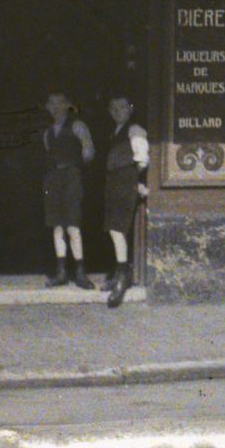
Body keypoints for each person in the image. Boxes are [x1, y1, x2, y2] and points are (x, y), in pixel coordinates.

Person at [41, 91, 96, 289]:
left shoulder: (78, 126)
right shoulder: (47, 132)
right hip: (52, 179)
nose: (55, 107)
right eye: (51, 103)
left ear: (67, 105)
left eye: (59, 103)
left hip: (72, 176)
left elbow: (89, 152)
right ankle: (61, 272)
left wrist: (76, 165)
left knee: (73, 225)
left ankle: (80, 272)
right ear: (47, 107)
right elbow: (48, 153)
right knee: (57, 226)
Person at [101, 95, 151, 308]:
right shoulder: (116, 130)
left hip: (125, 181)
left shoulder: (134, 129)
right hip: (114, 182)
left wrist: (134, 179)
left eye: (121, 107)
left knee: (117, 229)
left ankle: (123, 276)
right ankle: (119, 272)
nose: (117, 111)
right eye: (113, 107)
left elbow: (142, 159)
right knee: (114, 227)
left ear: (130, 109)